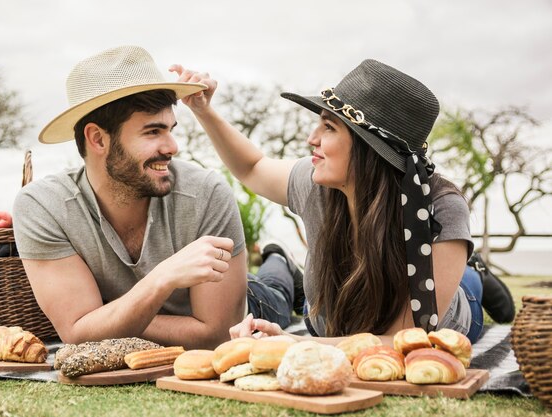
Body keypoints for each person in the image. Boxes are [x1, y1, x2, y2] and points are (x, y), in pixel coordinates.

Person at [173, 59, 515, 345]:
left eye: (329, 128)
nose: (312, 139)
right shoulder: (316, 183)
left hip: (442, 322)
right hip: (339, 318)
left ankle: (471, 270)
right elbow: (252, 167)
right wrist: (204, 111)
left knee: (466, 285)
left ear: (370, 149)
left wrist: (296, 343)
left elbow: (405, 339)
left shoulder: (441, 208)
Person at [12, 46, 302, 349]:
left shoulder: (205, 193)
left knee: (275, 294)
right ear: (97, 139)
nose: (172, 146)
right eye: (153, 132)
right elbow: (77, 332)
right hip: (179, 309)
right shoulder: (44, 206)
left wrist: (105, 318)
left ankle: (281, 261)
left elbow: (217, 335)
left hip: (249, 306)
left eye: (170, 129)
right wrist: (162, 278)